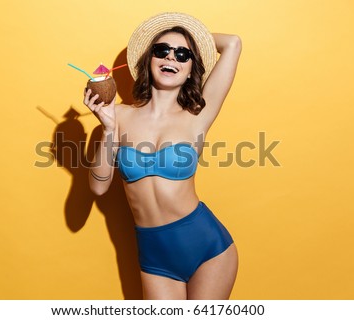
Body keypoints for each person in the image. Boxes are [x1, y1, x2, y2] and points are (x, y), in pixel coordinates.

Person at [84, 12, 242, 300]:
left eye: (183, 55)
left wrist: (194, 38)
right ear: (148, 59)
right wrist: (107, 130)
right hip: (155, 257)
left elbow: (232, 43)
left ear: (192, 67)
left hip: (209, 249)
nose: (171, 58)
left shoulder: (198, 115)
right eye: (161, 51)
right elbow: (97, 187)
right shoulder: (118, 115)